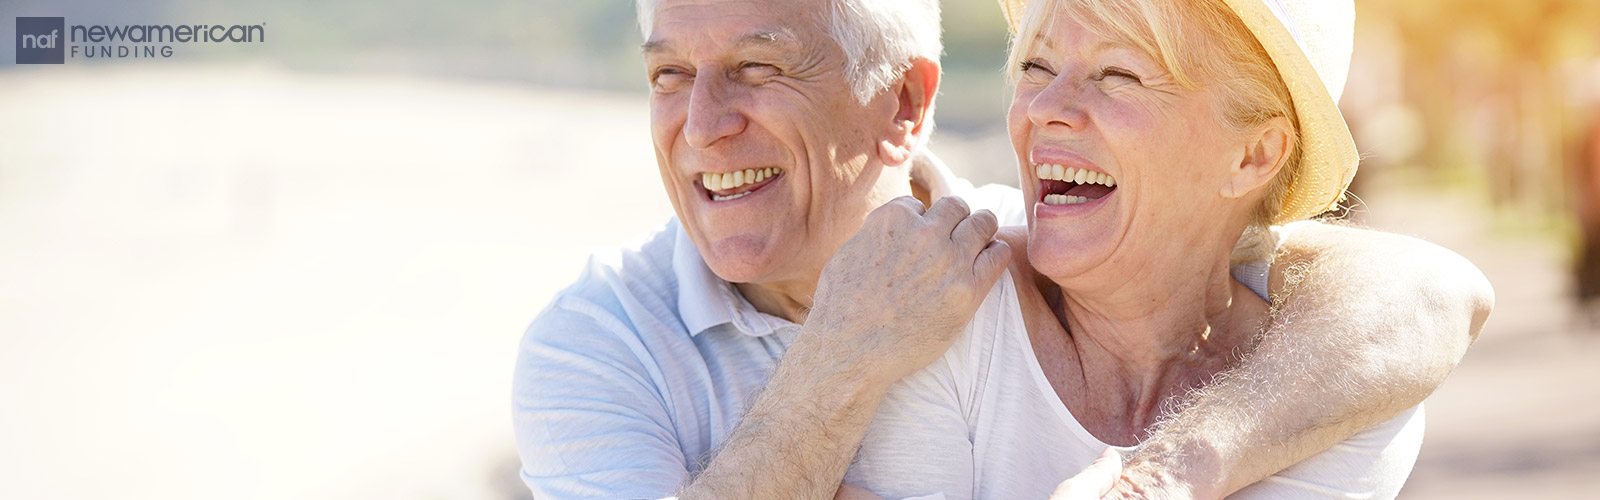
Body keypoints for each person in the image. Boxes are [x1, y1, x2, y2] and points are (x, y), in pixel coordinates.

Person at [511, 0, 1493, 498]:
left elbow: (1426, 288)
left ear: (906, 106)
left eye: (757, 69)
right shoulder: (594, 342)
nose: (700, 123)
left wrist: (1158, 473)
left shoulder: (1001, 268)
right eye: (666, 75)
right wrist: (833, 364)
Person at [840, 0, 1492, 498]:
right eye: (1037, 66)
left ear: (1253, 155)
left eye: (1119, 74)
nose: (1045, 108)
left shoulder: (1346, 388)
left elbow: (1443, 290)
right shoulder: (948, 314)